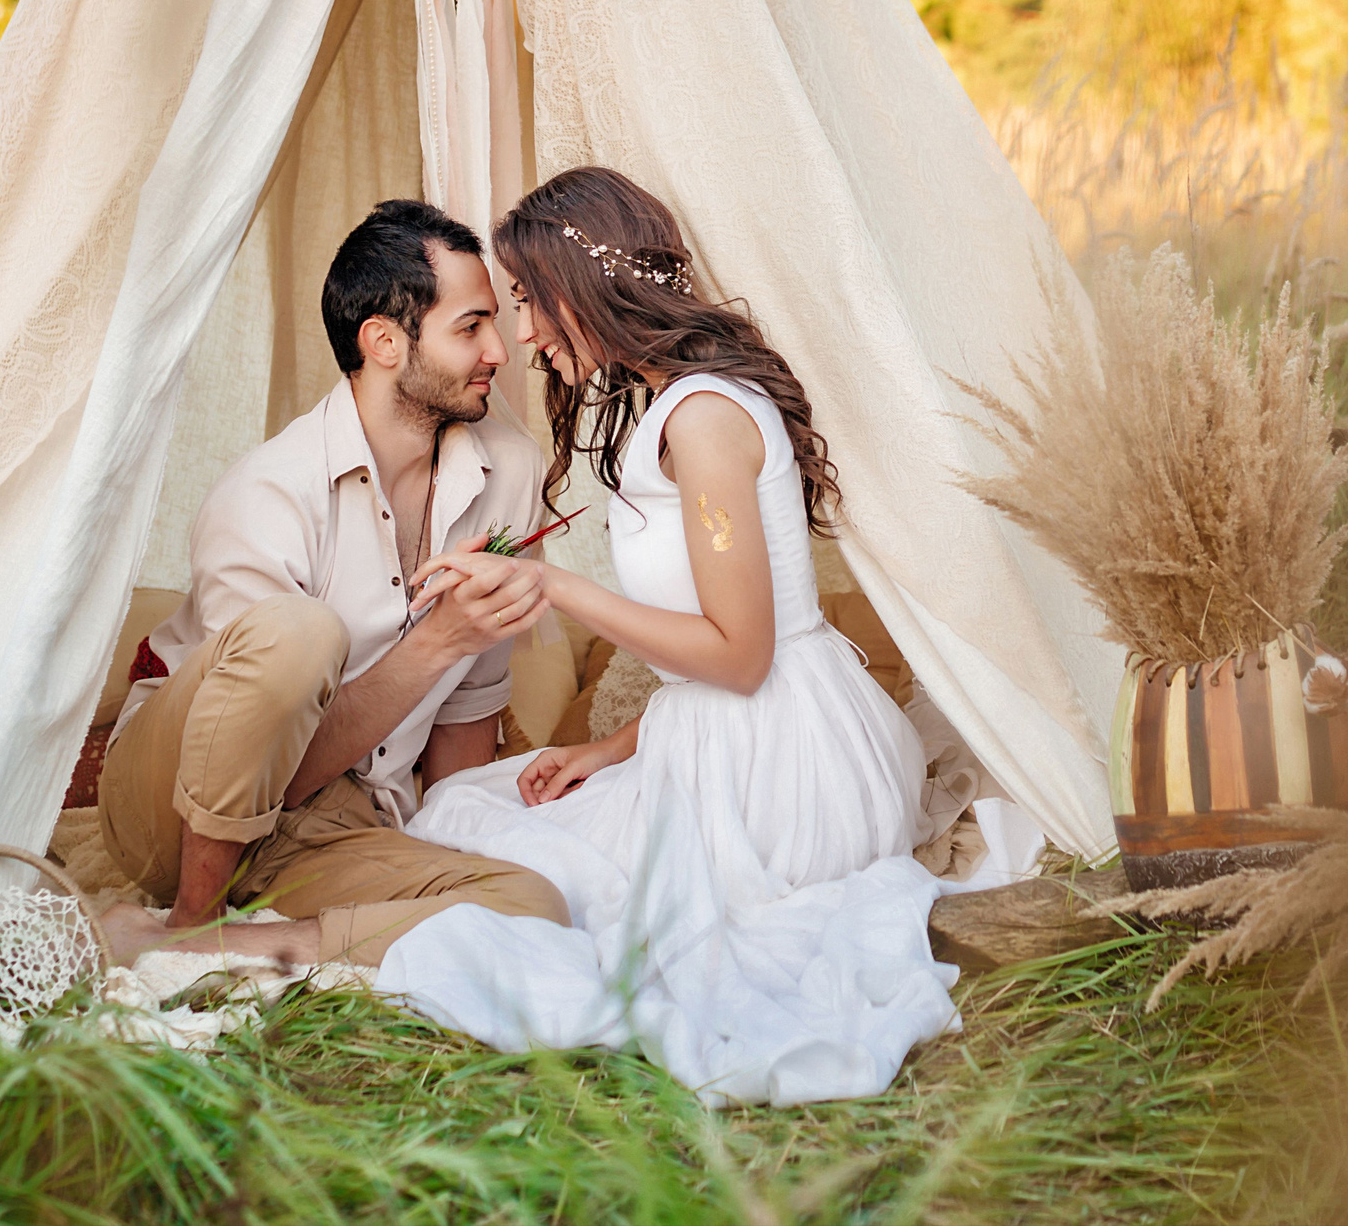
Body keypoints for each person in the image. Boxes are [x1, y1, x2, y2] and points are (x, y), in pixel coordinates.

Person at [372, 167, 963, 1105]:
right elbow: (713, 667)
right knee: (471, 820)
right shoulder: (669, 408)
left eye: (528, 302)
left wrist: (549, 583)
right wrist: (606, 750)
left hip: (786, 775)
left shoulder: (705, 419)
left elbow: (739, 654)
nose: (522, 334)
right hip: (732, 734)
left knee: (501, 865)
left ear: (584, 285)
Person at [94, 200, 569, 968]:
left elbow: (469, 712)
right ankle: (191, 912)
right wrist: (438, 640)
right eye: (470, 325)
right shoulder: (269, 494)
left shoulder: (506, 468)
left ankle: (212, 948)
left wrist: (450, 849)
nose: (501, 351)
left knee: (532, 904)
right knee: (301, 631)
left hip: (335, 821)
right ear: (384, 341)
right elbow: (258, 760)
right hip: (174, 803)